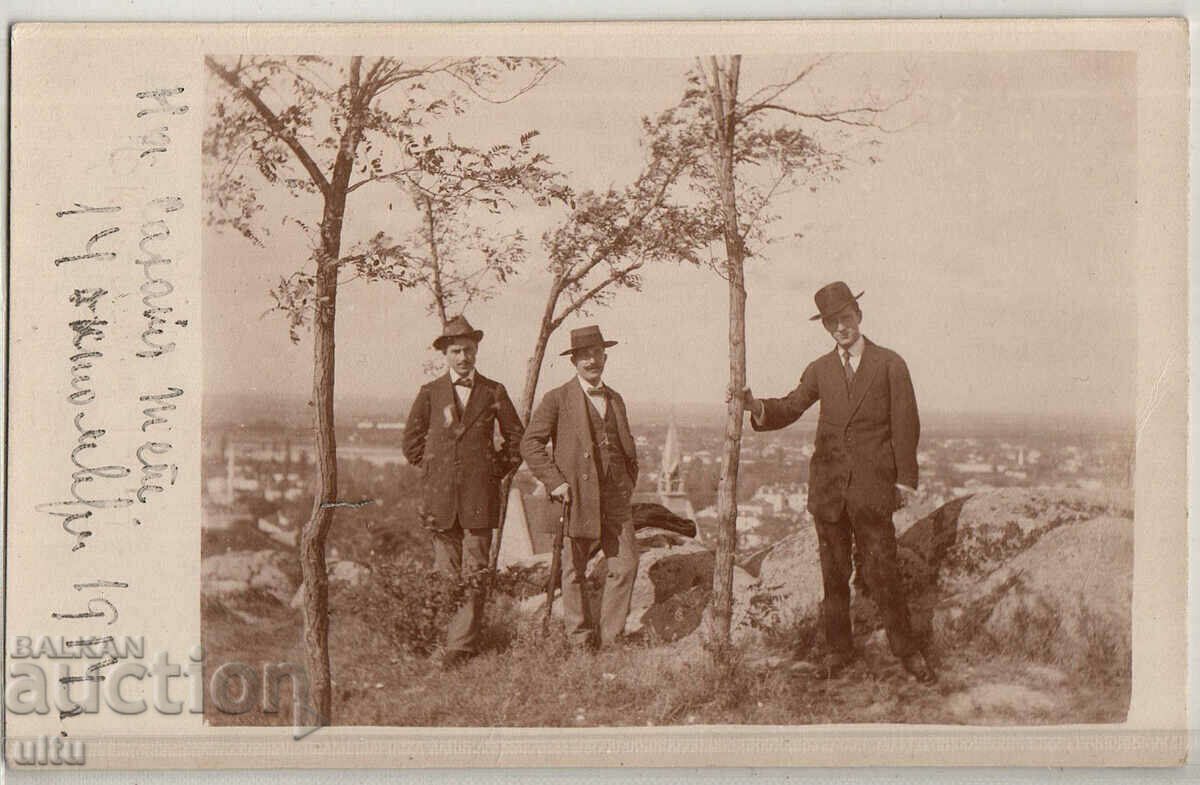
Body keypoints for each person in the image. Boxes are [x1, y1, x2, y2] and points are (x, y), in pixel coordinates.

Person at [741, 281, 934, 683]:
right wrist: (755, 406)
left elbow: (906, 424)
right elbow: (792, 406)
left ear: (859, 317)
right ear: (826, 327)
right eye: (832, 322)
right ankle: (838, 651)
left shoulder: (890, 364)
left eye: (846, 318)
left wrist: (905, 482)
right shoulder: (820, 369)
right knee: (833, 576)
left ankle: (907, 650)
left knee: (884, 572)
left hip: (872, 490)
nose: (841, 328)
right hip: (828, 491)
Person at [402, 315, 524, 669]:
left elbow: (516, 440)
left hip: (478, 497)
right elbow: (411, 443)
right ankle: (451, 637)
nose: (463, 357)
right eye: (456, 351)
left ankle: (462, 647)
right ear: (445, 354)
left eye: (468, 350)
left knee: (475, 572)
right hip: (439, 500)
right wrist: (435, 470)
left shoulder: (494, 391)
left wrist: (492, 470)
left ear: (476, 351)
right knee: (446, 574)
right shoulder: (429, 393)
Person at [521, 325, 640, 651]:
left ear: (605, 356)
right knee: (573, 570)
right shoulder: (557, 399)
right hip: (574, 497)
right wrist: (556, 482)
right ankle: (580, 642)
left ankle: (611, 639)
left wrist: (629, 480)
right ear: (574, 360)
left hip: (615, 494)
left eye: (596, 354)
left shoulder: (615, 398)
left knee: (626, 564)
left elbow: (625, 445)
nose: (592, 361)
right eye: (584, 355)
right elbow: (530, 444)